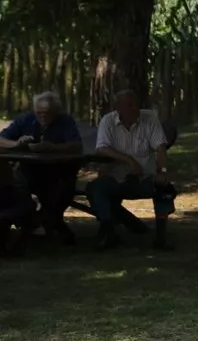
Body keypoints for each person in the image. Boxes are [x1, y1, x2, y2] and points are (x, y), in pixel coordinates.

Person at [88, 90, 175, 250]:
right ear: (117, 108)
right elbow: (101, 148)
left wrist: (162, 171)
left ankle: (161, 237)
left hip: (145, 177)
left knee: (164, 189)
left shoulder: (149, 118)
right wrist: (128, 160)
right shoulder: (108, 121)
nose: (134, 109)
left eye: (135, 104)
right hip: (116, 178)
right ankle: (108, 232)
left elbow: (160, 148)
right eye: (128, 105)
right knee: (96, 188)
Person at [0, 91, 83, 242]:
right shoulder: (26, 119)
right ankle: (31, 220)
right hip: (30, 171)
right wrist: (17, 144)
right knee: (16, 184)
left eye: (47, 113)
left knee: (62, 191)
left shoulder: (65, 121)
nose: (42, 116)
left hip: (59, 172)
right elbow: (1, 139)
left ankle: (46, 221)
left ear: (56, 111)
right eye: (39, 113)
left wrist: (52, 147)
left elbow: (76, 146)